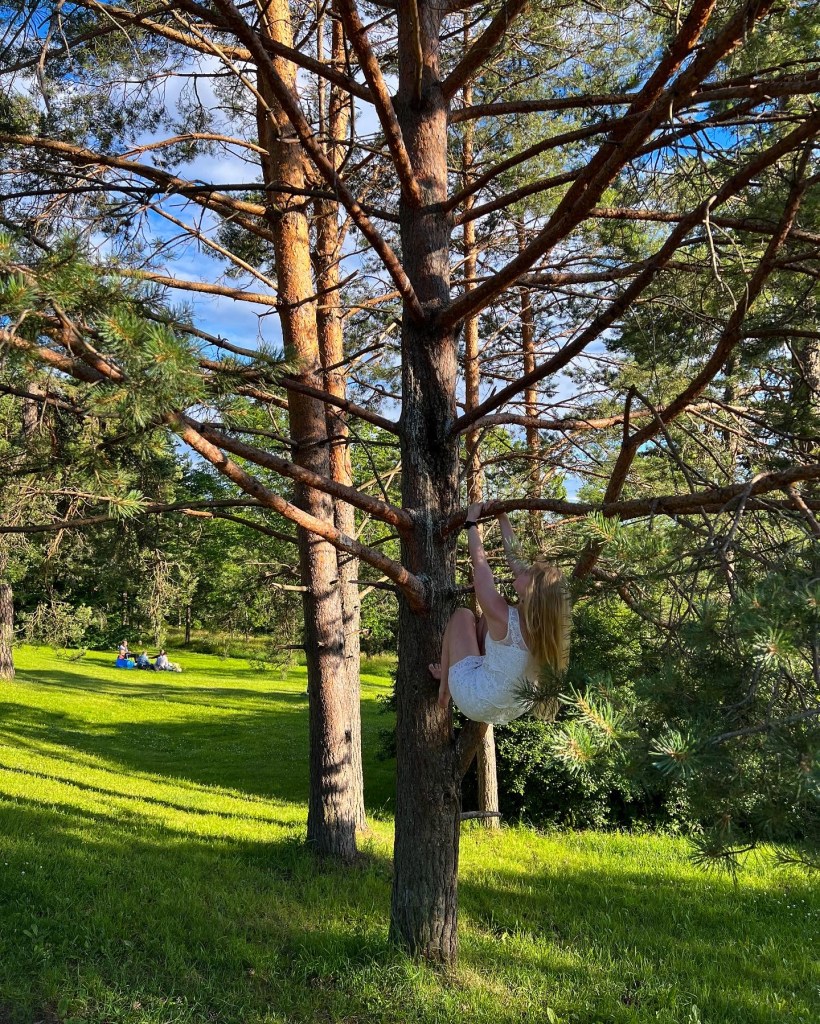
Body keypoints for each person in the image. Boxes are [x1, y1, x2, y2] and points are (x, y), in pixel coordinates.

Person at [429, 502, 571, 725]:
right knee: (486, 622)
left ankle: (444, 691)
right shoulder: (545, 628)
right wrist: (502, 517)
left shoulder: (504, 617)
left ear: (531, 591)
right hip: (512, 707)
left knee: (463, 615)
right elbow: (515, 558)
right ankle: (451, 680)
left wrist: (471, 522)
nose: (522, 568)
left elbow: (480, 564)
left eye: (529, 571)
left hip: (475, 699)